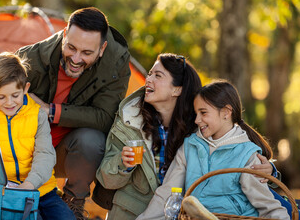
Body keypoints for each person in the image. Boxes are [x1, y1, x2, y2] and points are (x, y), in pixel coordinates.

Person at [0, 7, 131, 219]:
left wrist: (51, 111)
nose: (76, 59)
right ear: (64, 36)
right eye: (71, 47)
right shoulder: (33, 57)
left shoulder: (115, 65)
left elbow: (106, 117)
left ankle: (73, 202)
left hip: (66, 154)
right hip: (24, 156)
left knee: (91, 139)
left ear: (102, 48)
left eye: (87, 53)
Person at [95, 54, 274, 220]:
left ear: (177, 90)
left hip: (186, 212)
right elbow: (106, 180)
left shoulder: (200, 126)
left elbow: (238, 155)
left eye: (157, 75)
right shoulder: (129, 120)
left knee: (280, 205)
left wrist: (271, 172)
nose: (148, 80)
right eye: (149, 74)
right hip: (137, 210)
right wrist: (123, 164)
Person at [137, 80, 289, 220]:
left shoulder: (246, 154)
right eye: (196, 114)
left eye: (203, 113)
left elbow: (267, 204)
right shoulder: (190, 146)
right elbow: (168, 191)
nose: (197, 120)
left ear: (226, 112)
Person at [0, 52, 75, 220]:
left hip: (40, 189)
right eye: (1, 97)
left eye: (15, 95)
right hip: (0, 193)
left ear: (25, 88)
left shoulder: (36, 115)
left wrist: (29, 185)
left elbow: (45, 155)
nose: (9, 102)